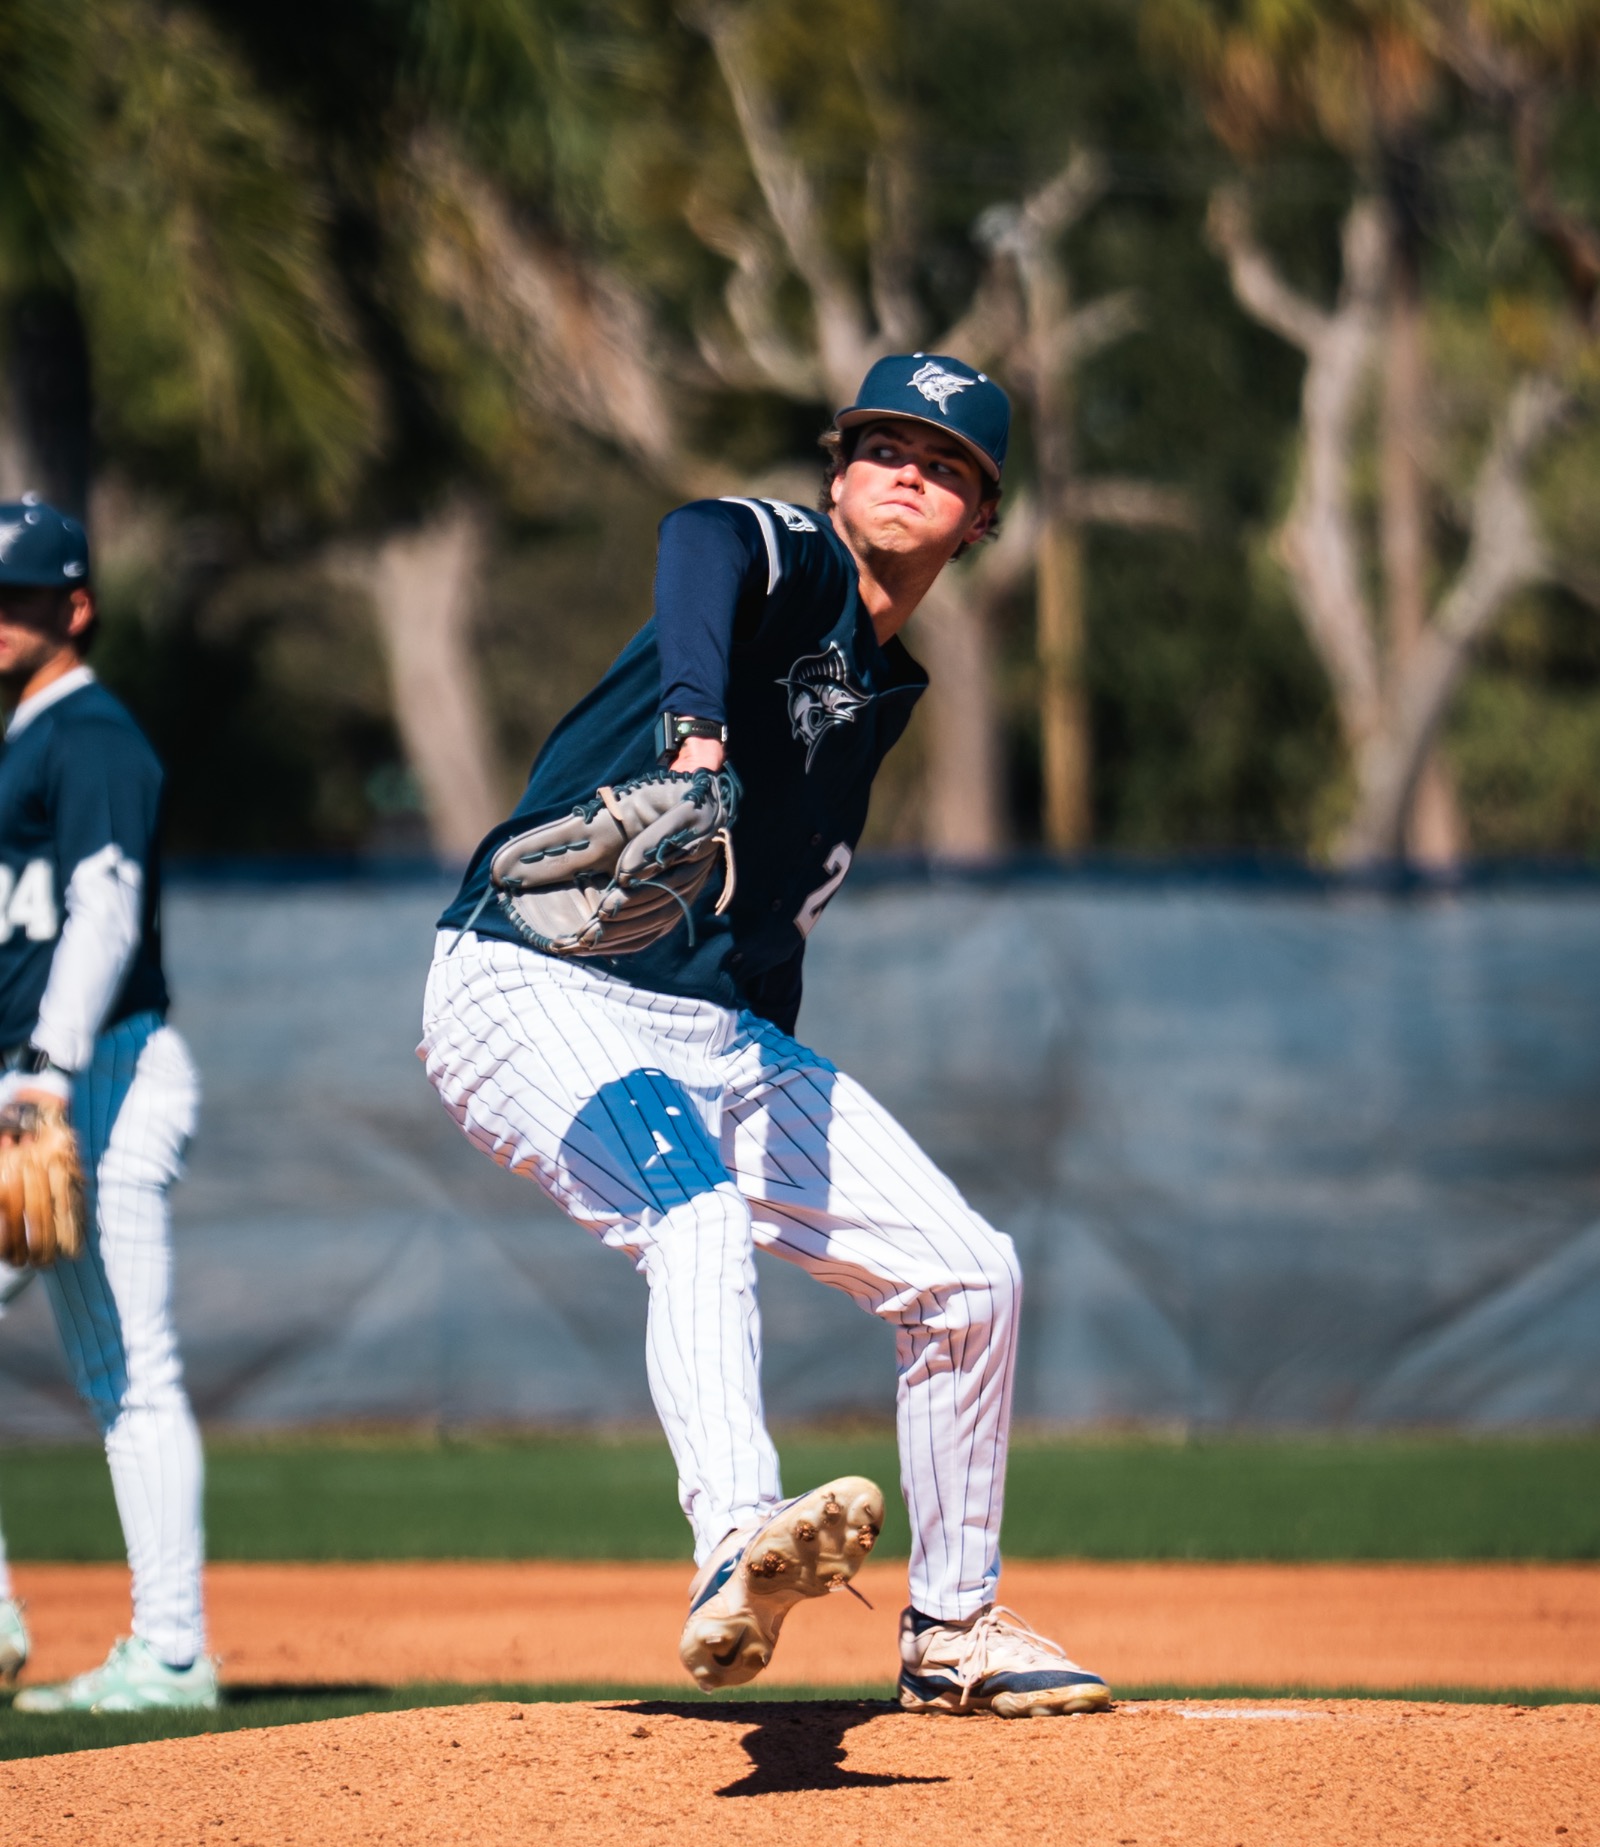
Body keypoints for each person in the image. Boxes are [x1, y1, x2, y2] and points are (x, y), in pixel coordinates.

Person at [422, 355, 1111, 1717]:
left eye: (948, 463)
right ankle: (740, 1537)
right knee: (693, 1216)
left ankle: (952, 1631)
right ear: (836, 473)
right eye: (884, 447)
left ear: (981, 519)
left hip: (716, 1036)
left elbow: (768, 921)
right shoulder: (793, 568)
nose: (910, 472)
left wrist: (762, 1044)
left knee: (970, 1277)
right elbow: (700, 533)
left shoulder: (876, 687)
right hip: (527, 985)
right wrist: (692, 734)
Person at [0, 495, 214, 1713]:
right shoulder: (28, 740)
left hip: (98, 1079)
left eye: (20, 595)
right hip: (41, 1079)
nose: (0, 615)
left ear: (74, 606)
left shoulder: (91, 736)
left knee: (128, 1369)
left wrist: (44, 1071)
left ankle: (173, 1649)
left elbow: (107, 904)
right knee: (117, 1368)